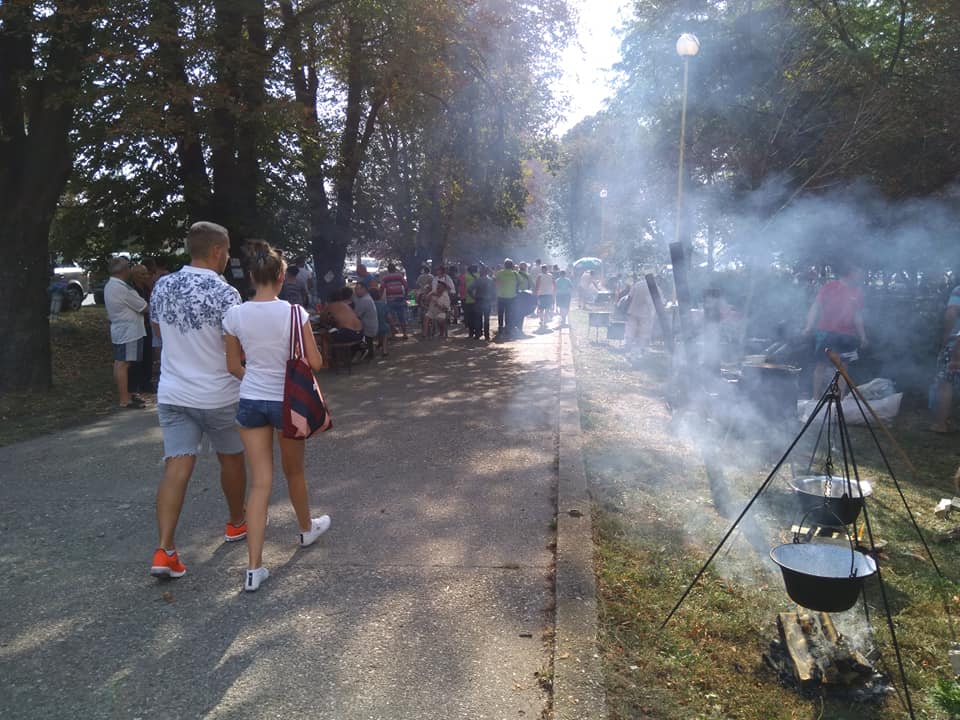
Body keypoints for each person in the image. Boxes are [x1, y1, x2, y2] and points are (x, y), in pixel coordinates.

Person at [222, 242, 330, 592]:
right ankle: (305, 529)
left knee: (260, 483)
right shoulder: (295, 315)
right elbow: (315, 364)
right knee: (294, 471)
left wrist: (255, 379)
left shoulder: (235, 315)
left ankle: (253, 568)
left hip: (251, 400)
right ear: (282, 276)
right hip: (288, 403)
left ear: (252, 276)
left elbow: (233, 366)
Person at [148, 221, 248, 580]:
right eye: (228, 250)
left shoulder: (162, 286)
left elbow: (159, 331)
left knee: (177, 465)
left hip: (173, 391)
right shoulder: (226, 293)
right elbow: (235, 346)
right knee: (231, 458)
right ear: (218, 251)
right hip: (218, 393)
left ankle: (165, 549)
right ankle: (237, 523)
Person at [802, 263, 868, 399]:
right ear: (850, 273)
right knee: (821, 365)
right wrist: (808, 326)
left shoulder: (857, 293)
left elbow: (857, 316)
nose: (860, 276)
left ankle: (840, 400)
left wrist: (863, 336)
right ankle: (816, 399)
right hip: (826, 332)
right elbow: (816, 306)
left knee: (843, 368)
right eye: (858, 272)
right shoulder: (829, 287)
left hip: (847, 335)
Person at [104, 256, 148, 409]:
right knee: (124, 364)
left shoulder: (110, 285)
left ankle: (128, 395)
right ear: (123, 270)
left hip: (120, 329)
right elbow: (142, 306)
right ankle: (125, 399)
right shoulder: (123, 288)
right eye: (128, 267)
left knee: (121, 362)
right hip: (130, 332)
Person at [932, 284, 960, 433]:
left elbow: (951, 313)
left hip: (957, 343)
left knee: (945, 383)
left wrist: (946, 337)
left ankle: (940, 424)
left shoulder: (958, 290)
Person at [128, 263, 156, 395]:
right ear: (135, 276)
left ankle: (147, 382)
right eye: (142, 274)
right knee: (138, 358)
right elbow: (143, 307)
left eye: (146, 273)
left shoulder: (147, 288)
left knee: (148, 356)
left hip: (147, 325)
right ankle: (138, 384)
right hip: (137, 327)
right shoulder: (131, 290)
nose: (146, 276)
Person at [624, 278, 655, 353]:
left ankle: (628, 348)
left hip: (633, 311)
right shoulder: (654, 286)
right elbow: (658, 300)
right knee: (643, 333)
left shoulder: (638, 284)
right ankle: (640, 350)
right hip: (645, 314)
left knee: (630, 331)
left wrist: (625, 309)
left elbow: (629, 297)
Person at [380, 263, 408, 339]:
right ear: (395, 269)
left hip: (390, 299)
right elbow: (406, 285)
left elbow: (382, 288)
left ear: (388, 270)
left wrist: (380, 297)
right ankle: (405, 334)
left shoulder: (385, 278)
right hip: (400, 298)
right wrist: (405, 295)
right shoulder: (399, 276)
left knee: (391, 318)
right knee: (402, 317)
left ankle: (393, 335)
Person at [353, 281, 379, 360]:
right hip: (370, 325)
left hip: (368, 328)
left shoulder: (365, 300)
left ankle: (362, 352)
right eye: (355, 289)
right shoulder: (366, 297)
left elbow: (357, 315)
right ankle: (369, 353)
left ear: (364, 289)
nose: (356, 291)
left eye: (358, 289)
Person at [495, 259, 519, 339]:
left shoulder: (499, 273)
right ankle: (508, 328)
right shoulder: (515, 274)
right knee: (509, 313)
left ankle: (500, 327)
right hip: (512, 296)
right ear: (512, 265)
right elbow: (521, 281)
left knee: (501, 313)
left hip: (501, 296)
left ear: (504, 265)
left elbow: (495, 281)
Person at [474, 266, 495, 341]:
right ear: (487, 272)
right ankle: (487, 335)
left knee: (478, 318)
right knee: (486, 319)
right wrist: (493, 300)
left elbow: (469, 289)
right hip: (487, 301)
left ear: (480, 272)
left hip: (478, 300)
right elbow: (494, 291)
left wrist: (473, 296)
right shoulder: (490, 280)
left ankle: (478, 334)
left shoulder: (477, 280)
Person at [534, 264, 555, 332]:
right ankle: (545, 320)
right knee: (547, 308)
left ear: (542, 269)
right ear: (547, 269)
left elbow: (537, 285)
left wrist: (535, 293)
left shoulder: (539, 276)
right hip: (549, 294)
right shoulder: (551, 276)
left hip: (541, 294)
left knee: (541, 308)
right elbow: (554, 284)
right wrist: (553, 293)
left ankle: (542, 320)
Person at [462, 264, 481, 339]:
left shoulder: (466, 276)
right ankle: (478, 332)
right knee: (478, 317)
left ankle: (471, 333)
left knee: (470, 317)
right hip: (478, 298)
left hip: (468, 299)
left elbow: (462, 283)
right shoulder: (479, 275)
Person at [370, 287, 390, 357]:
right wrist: (392, 324)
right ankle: (385, 350)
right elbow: (389, 317)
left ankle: (377, 345)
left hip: (370, 327)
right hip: (382, 326)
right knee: (385, 331)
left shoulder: (368, 304)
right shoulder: (383, 304)